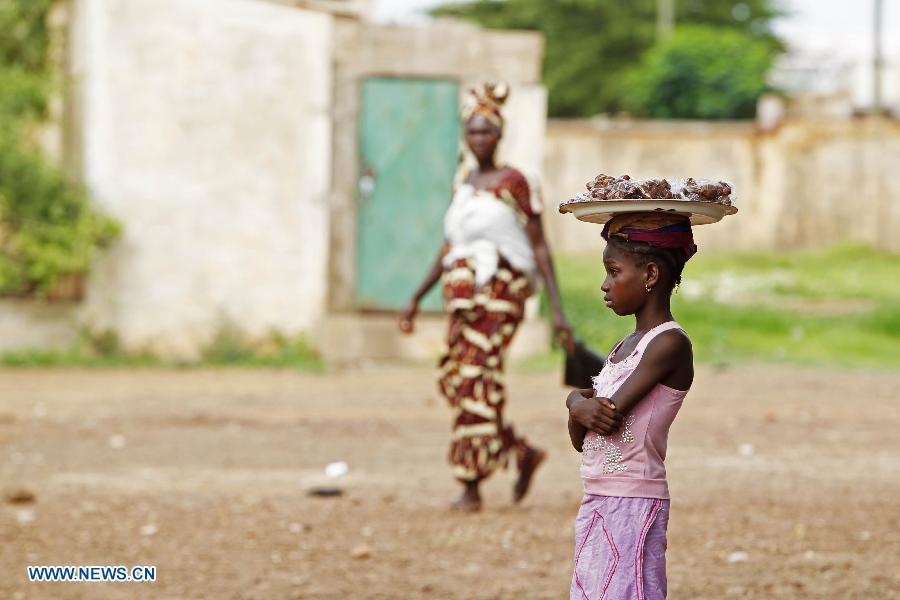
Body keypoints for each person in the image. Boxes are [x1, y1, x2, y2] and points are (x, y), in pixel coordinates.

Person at [399, 83, 572, 512]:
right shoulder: (464, 183)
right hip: (462, 299)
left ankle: (471, 483)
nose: (479, 139)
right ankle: (520, 450)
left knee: (476, 378)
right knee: (459, 380)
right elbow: (449, 248)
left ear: (500, 135)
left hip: (501, 295)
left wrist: (557, 311)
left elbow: (539, 245)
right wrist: (415, 299)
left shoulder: (514, 182)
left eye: (486, 132)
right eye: (472, 132)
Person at [565, 212, 697, 599]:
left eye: (613, 271)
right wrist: (576, 404)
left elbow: (604, 417)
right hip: (600, 495)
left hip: (634, 500)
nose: (604, 285)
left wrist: (577, 403)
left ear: (650, 276)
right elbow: (581, 435)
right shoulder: (624, 347)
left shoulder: (669, 344)